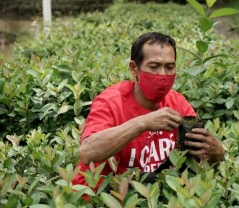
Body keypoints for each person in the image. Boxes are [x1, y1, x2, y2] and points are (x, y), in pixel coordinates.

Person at [72, 32, 225, 190]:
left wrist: (217, 153)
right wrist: (143, 123)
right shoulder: (110, 101)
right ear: (134, 68)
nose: (163, 75)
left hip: (148, 190)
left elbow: (197, 158)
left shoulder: (177, 101)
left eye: (169, 67)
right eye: (154, 67)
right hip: (102, 194)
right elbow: (87, 152)